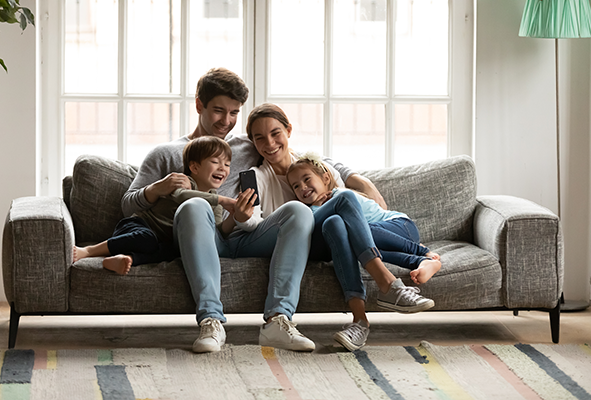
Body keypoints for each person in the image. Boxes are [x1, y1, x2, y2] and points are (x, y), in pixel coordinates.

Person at [122, 68, 386, 353]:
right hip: (204, 236)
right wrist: (157, 188)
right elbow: (127, 205)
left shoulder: (249, 146)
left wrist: (356, 179)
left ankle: (278, 321)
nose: (226, 121)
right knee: (195, 204)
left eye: (234, 113)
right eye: (218, 111)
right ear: (199, 105)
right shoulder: (168, 153)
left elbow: (299, 157)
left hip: (249, 232)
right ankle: (211, 321)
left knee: (298, 210)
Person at [243, 103, 435, 352]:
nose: (269, 143)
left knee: (336, 220)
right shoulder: (257, 177)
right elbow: (257, 225)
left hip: (331, 233)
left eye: (275, 133)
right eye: (259, 138)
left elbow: (346, 205)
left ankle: (359, 322)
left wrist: (360, 182)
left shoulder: (315, 164)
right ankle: (389, 284)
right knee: (343, 201)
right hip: (304, 240)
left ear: (289, 130)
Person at [72, 136, 239, 275]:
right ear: (194, 166)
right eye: (216, 162)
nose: (222, 168)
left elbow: (216, 231)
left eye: (227, 164)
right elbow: (182, 196)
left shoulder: (215, 200)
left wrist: (234, 216)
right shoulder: (184, 181)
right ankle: (88, 251)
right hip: (141, 226)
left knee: (170, 253)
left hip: (163, 240)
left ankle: (126, 259)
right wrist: (224, 201)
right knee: (146, 239)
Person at [287, 154, 442, 285]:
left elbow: (355, 225)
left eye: (307, 179)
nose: (302, 187)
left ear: (326, 178)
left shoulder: (339, 195)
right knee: (362, 250)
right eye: (296, 186)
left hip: (400, 225)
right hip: (376, 240)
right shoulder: (311, 213)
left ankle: (423, 251)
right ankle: (419, 262)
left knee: (360, 232)